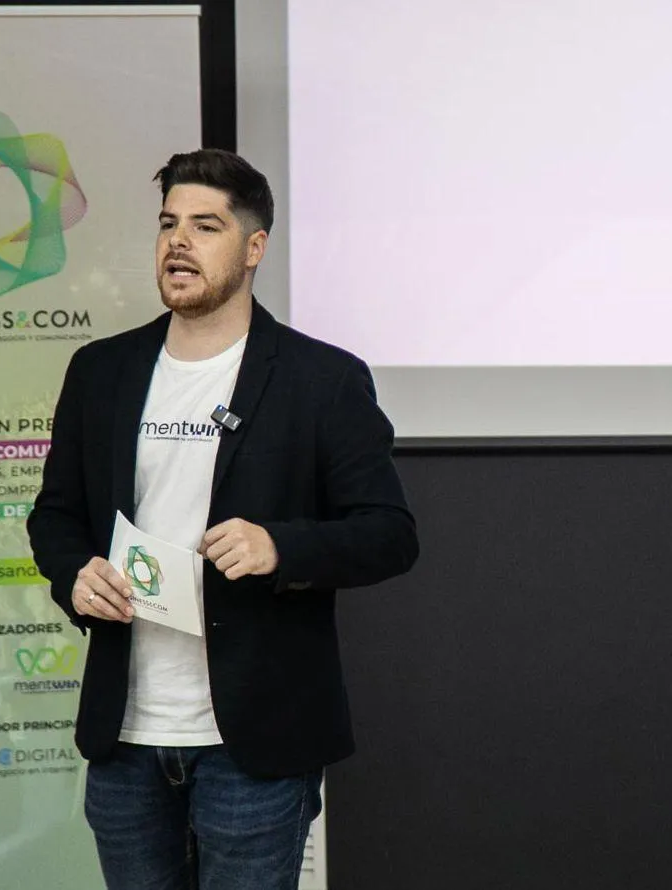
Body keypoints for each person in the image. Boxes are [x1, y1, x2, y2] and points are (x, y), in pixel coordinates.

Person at [27, 148, 419, 890]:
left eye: (205, 226)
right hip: (126, 736)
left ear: (253, 247)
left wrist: (280, 545)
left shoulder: (320, 378)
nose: (178, 241)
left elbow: (388, 534)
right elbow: (56, 515)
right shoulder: (100, 370)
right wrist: (73, 575)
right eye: (168, 224)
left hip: (254, 740)